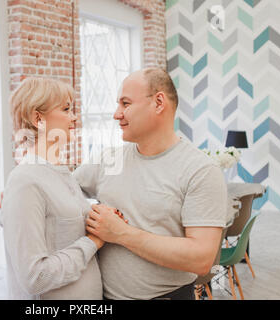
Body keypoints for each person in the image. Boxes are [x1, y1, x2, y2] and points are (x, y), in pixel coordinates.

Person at [74, 68, 228, 300]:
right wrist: (26, 189)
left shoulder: (201, 170)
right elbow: (60, 188)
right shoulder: (110, 160)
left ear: (158, 103)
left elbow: (202, 259)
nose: (117, 114)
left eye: (126, 103)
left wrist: (121, 233)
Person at [0, 77, 119, 300]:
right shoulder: (25, 181)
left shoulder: (60, 172)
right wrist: (93, 241)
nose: (73, 117)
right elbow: (36, 277)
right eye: (66, 109)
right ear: (38, 119)